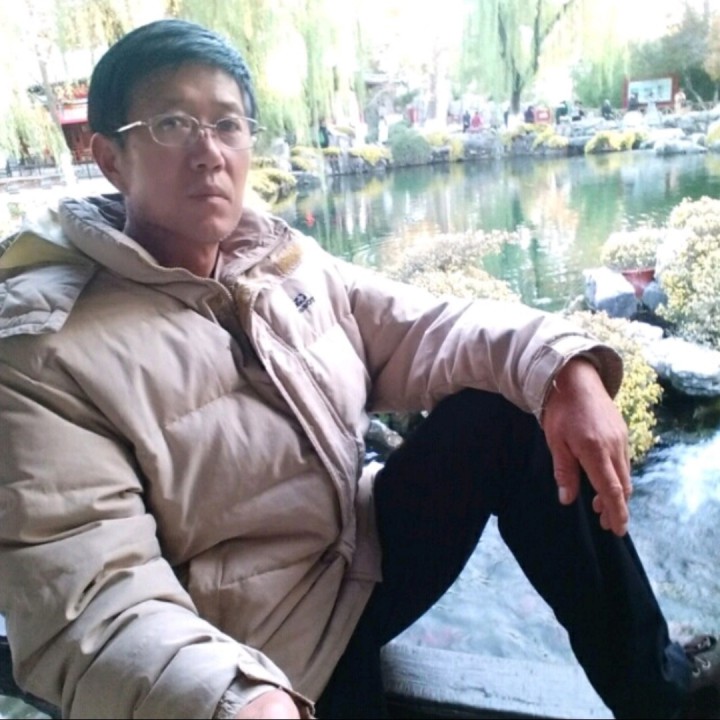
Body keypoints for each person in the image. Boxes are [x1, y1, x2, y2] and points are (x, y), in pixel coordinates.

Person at [0, 18, 718, 720]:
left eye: (227, 124)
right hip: (255, 655)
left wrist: (565, 367)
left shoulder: (277, 261)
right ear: (109, 157)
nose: (209, 152)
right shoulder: (44, 349)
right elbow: (90, 599)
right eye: (171, 124)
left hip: (356, 557)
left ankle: (659, 696)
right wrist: (227, 696)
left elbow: (428, 327)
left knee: (512, 409)